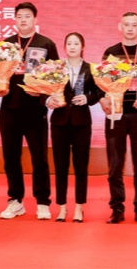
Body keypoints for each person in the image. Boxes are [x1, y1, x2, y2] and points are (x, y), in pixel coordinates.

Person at [0, 2, 59, 220]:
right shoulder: (5, 45)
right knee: (10, 157)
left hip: (35, 111)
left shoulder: (46, 44)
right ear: (15, 20)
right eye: (19, 16)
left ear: (35, 20)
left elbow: (55, 77)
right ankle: (15, 201)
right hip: (9, 109)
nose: (23, 20)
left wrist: (42, 96)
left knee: (39, 158)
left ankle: (42, 202)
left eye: (27, 16)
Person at [99, 12, 137, 225]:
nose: (130, 28)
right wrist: (102, 99)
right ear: (120, 26)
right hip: (116, 114)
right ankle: (117, 208)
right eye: (127, 24)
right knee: (115, 164)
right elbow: (102, 82)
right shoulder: (111, 53)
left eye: (134, 25)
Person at [47, 33, 103, 223]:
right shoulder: (55, 68)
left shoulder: (90, 69)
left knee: (81, 166)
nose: (72, 47)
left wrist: (88, 98)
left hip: (82, 123)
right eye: (69, 43)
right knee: (60, 166)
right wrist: (48, 99)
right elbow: (43, 89)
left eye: (76, 43)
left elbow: (98, 92)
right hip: (59, 122)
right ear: (64, 47)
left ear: (82, 46)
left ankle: (79, 207)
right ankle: (62, 207)